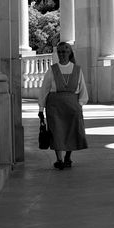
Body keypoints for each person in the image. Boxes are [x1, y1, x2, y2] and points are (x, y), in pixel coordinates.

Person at [38, 42, 88, 170]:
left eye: (64, 52)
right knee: (56, 132)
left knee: (71, 131)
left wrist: (80, 104)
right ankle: (59, 159)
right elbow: (45, 89)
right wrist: (41, 108)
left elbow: (82, 89)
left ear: (70, 53)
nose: (62, 54)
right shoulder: (52, 69)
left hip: (72, 105)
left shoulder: (77, 69)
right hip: (54, 105)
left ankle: (68, 156)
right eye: (59, 52)